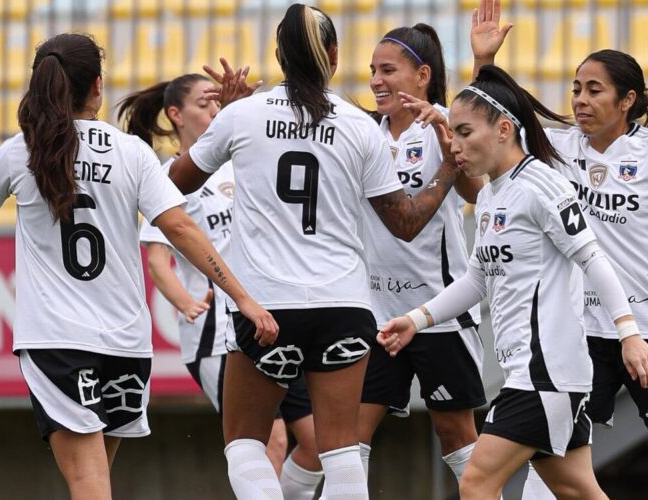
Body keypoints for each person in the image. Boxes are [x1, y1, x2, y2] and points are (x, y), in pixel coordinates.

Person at [0, 33, 276, 500]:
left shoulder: (21, 151)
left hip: (58, 342)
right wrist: (244, 297)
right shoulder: (132, 152)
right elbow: (182, 229)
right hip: (126, 343)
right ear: (97, 87)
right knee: (96, 479)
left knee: (89, 484)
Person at [169, 4, 464, 498]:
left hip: (267, 305)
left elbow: (178, 181)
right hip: (344, 304)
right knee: (341, 450)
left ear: (279, 56)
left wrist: (230, 125)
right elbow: (407, 222)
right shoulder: (358, 126)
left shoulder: (242, 115)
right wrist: (449, 168)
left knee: (245, 445)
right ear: (333, 55)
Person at [471, 3, 648, 499]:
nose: (580, 100)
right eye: (575, 89)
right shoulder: (560, 148)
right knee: (552, 453)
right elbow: (493, 119)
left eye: (594, 90)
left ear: (627, 99)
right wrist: (484, 62)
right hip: (580, 334)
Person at [377, 64, 648, 500]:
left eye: (465, 132)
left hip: (544, 376)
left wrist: (629, 334)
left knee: (475, 483)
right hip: (538, 376)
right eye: (451, 132)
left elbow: (594, 259)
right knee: (579, 491)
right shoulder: (491, 195)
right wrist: (416, 319)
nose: (453, 144)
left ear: (505, 129)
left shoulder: (541, 185)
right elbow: (476, 280)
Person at [117, 74, 324, 498]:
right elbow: (158, 259)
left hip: (271, 320)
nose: (213, 111)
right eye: (203, 104)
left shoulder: (238, 164)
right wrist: (186, 302)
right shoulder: (170, 177)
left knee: (319, 444)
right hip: (216, 333)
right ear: (176, 115)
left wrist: (239, 112)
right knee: (271, 440)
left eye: (217, 104)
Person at [357, 23, 485, 484]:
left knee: (455, 434)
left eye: (387, 69)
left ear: (422, 75)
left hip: (439, 311)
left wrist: (448, 134)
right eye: (372, 70)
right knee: (351, 436)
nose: (375, 80)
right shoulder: (364, 134)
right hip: (376, 316)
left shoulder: (441, 128)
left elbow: (474, 190)